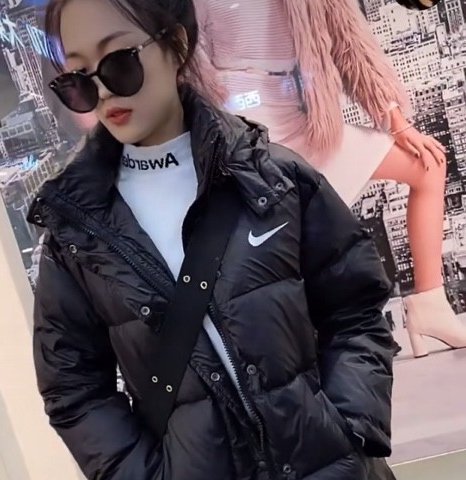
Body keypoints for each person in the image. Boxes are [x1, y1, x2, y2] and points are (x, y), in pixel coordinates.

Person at [29, 0, 397, 478]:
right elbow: (73, 387)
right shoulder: (76, 231)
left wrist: (350, 427)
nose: (101, 92)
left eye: (118, 63)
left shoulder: (273, 177)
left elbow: (355, 308)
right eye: (78, 80)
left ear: (175, 44)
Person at [194, 0, 466, 358]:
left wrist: (397, 122)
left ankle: (429, 307)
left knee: (427, 166)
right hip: (244, 129)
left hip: (301, 123)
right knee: (276, 252)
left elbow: (349, 42)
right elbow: (186, 68)